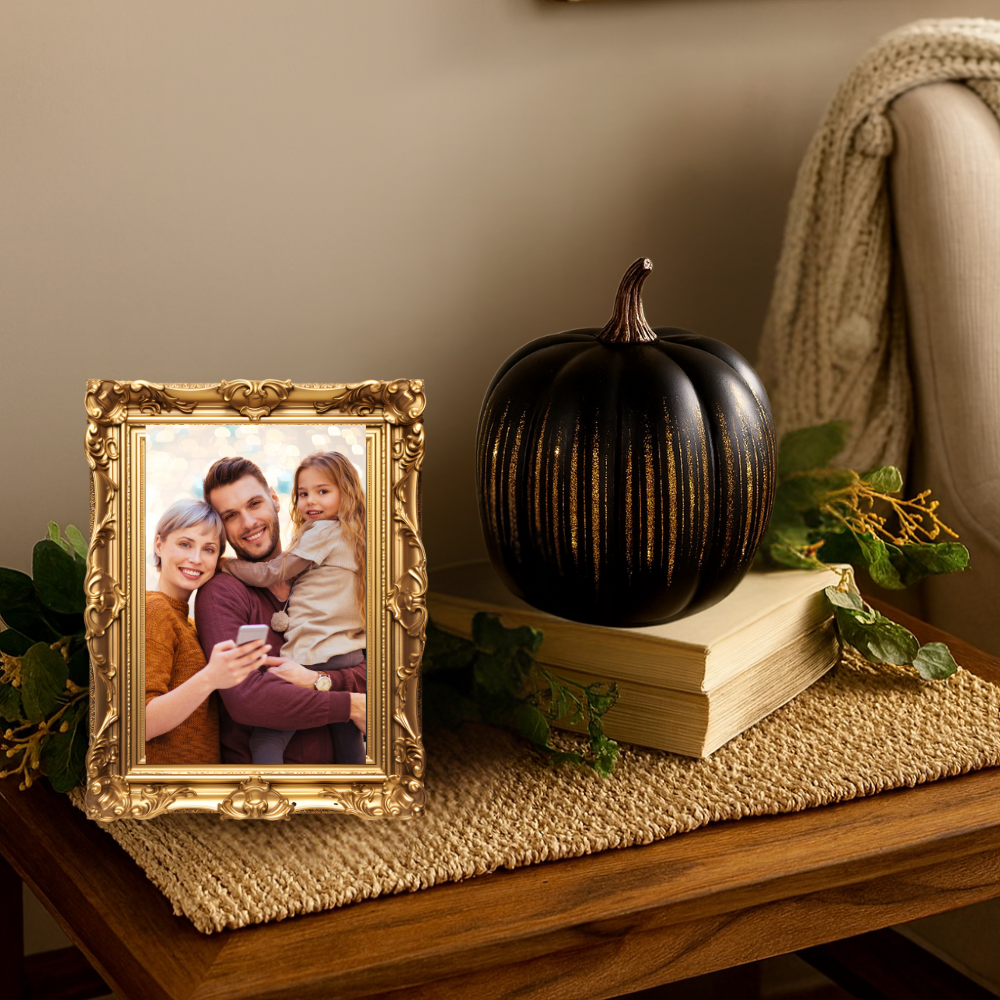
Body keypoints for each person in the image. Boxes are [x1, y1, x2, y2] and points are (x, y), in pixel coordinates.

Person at [194, 456, 367, 766]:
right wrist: (350, 704)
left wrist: (318, 680)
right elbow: (248, 700)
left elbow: (376, 673)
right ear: (221, 528)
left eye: (255, 504)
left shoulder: (320, 573)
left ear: (275, 499)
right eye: (231, 515)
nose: (248, 523)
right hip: (270, 789)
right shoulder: (221, 593)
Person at [145, 498, 270, 765]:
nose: (196, 558)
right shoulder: (153, 610)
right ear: (159, 544)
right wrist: (210, 678)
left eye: (209, 549)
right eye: (185, 544)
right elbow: (137, 724)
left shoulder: (188, 623)